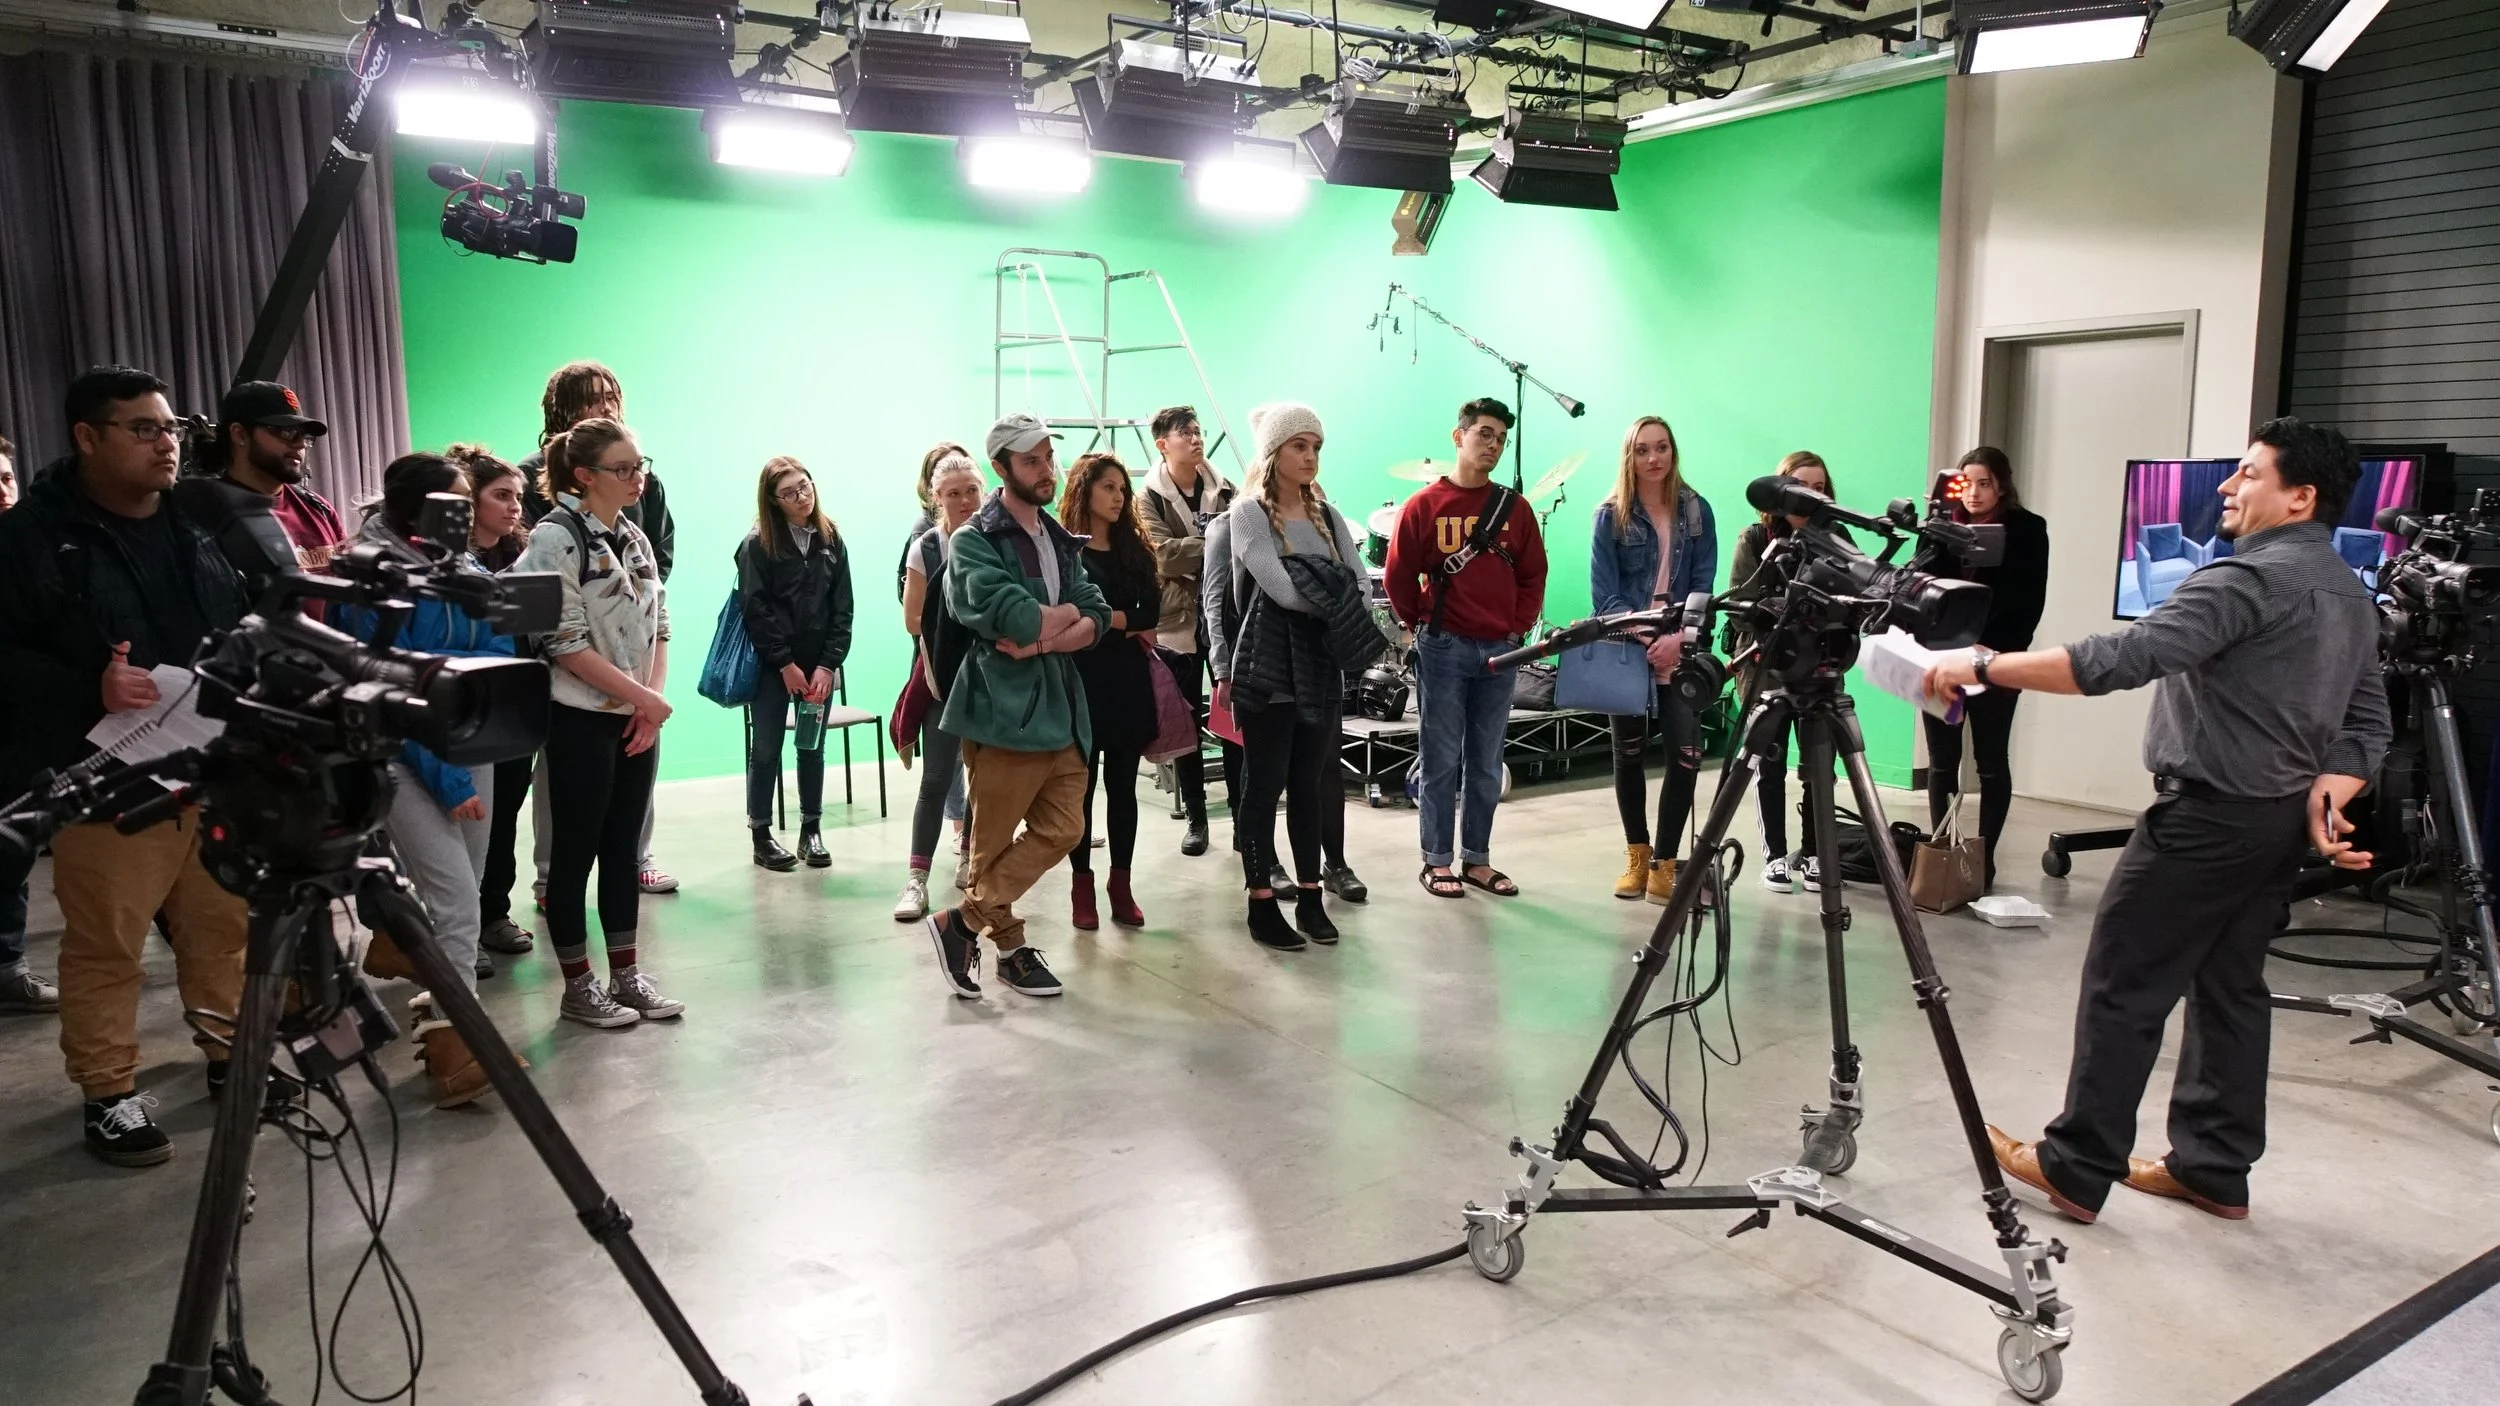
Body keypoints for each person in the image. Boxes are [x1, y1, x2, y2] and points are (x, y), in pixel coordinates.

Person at [1922, 417, 2390, 1226]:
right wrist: (2330, 789)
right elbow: (2368, 721)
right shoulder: (2348, 591)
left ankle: (2076, 1164)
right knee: (2231, 987)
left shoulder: (2243, 583)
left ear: (2299, 496)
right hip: (2273, 824)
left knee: (2123, 983)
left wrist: (1983, 665)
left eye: (2248, 474)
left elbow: (2118, 661)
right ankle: (2214, 1166)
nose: (2227, 487)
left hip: (2206, 820)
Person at [0, 366, 253, 1165]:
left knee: (222, 928)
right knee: (109, 943)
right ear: (87, 437)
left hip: (206, 764)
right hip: (103, 775)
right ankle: (108, 1093)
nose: (166, 444)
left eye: (172, 428)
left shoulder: (199, 519)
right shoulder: (30, 539)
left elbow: (237, 612)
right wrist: (89, 687)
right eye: (143, 429)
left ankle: (229, 1060)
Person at [334, 453, 523, 1108]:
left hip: (469, 744)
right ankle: (454, 1049)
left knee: (461, 891)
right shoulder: (368, 579)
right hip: (397, 751)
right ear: (415, 511)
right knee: (456, 899)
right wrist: (448, 779)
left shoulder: (463, 568)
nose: (466, 517)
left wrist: (480, 737)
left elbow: (494, 656)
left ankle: (399, 944)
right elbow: (390, 687)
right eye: (454, 506)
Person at [922, 414, 1112, 1000]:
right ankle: (1009, 949)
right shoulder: (973, 539)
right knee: (994, 841)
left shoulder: (1056, 535)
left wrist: (1047, 639)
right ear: (1001, 469)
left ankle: (963, 922)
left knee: (1065, 828)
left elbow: (1097, 613)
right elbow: (1011, 615)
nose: (1045, 469)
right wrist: (1052, 620)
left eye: (1048, 457)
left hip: (1061, 704)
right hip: (1002, 707)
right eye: (1031, 460)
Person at [514, 417, 684, 1029]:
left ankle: (627, 975)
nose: (638, 477)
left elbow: (659, 626)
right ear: (584, 476)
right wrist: (641, 699)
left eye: (641, 465)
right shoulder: (553, 539)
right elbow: (563, 644)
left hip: (635, 719)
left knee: (622, 849)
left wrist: (648, 703)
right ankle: (578, 985)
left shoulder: (633, 537)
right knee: (575, 853)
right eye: (624, 468)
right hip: (580, 719)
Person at [1205, 403, 1368, 949]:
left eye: (1317, 447)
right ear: (1274, 453)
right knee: (1262, 787)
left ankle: (1312, 897)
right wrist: (1336, 594)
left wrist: (1339, 594)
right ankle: (1260, 904)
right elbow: (1282, 590)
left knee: (1308, 787)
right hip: (1268, 668)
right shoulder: (1248, 513)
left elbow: (1362, 585)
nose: (1311, 457)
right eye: (1300, 446)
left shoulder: (1330, 515)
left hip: (1321, 667)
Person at [516, 362, 678, 898]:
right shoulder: (535, 483)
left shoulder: (641, 483)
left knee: (637, 753)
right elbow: (546, 584)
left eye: (612, 395)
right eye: (592, 399)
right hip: (570, 661)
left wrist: (636, 611)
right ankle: (549, 877)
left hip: (632, 643)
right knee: (562, 781)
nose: (606, 405)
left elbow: (657, 556)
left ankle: (637, 857)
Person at [1383, 397, 1548, 899]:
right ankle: (1437, 860)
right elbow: (1397, 574)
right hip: (1445, 647)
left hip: (1501, 649)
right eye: (1484, 434)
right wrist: (1419, 624)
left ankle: (1477, 859)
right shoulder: (1424, 506)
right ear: (1459, 437)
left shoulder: (1515, 509)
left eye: (1501, 437)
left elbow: (1533, 574)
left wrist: (1517, 630)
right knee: (1440, 758)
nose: (1493, 445)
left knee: (1485, 760)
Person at [1590, 415, 1718, 904]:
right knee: (1628, 756)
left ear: (1672, 451)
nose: (1653, 458)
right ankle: (1637, 857)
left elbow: (1704, 585)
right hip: (1629, 647)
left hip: (1682, 648)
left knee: (1686, 756)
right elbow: (1606, 597)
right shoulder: (1611, 515)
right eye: (1643, 450)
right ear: (1630, 457)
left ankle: (1666, 864)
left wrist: (1680, 638)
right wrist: (1649, 638)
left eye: (1662, 447)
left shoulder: (1696, 510)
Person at [1923, 447, 2051, 891]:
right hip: (1942, 659)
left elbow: (2027, 602)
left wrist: (1987, 652)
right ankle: (1941, 848)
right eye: (1966, 482)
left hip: (1997, 662)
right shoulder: (1941, 527)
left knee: (1991, 761)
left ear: (2002, 484)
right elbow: (1921, 588)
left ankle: (1985, 858)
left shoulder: (2029, 530)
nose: (1973, 493)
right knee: (1942, 761)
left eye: (1984, 483)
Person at [1725, 451, 1840, 894]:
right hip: (1765, 668)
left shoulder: (1837, 537)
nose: (1810, 494)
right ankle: (1775, 855)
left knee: (1820, 768)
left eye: (1818, 486)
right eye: (1800, 485)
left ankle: (1814, 853)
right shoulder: (1756, 538)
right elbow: (1740, 608)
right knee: (1767, 765)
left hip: (1820, 669)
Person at [1057, 452, 1162, 931]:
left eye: (1122, 489)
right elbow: (1064, 618)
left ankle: (1121, 884)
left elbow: (1150, 616)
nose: (1119, 497)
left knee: (1122, 788)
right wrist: (1121, 622)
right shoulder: (1065, 553)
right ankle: (1082, 885)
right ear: (1085, 491)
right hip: (1078, 681)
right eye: (1109, 488)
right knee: (1078, 791)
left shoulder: (1134, 550)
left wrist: (1106, 621)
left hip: (1126, 682)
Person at [736, 456, 855, 871]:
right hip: (775, 669)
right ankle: (762, 835)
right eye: (789, 493)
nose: (802, 497)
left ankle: (811, 831)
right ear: (773, 500)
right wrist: (785, 664)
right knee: (766, 749)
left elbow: (843, 608)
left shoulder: (830, 537)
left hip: (818, 667)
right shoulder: (757, 544)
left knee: (811, 747)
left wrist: (828, 666)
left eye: (804, 486)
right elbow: (755, 609)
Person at [1136, 407, 1241, 857]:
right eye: (1186, 433)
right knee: (1186, 727)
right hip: (1176, 623)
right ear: (1163, 443)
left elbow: (1247, 541)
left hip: (1224, 618)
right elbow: (1162, 556)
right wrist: (1218, 544)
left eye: (1198, 432)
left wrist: (1197, 551)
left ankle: (1242, 819)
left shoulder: (1225, 489)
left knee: (1232, 722)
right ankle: (1197, 818)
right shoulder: (1148, 498)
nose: (1196, 439)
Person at [453, 444, 541, 962]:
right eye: (501, 496)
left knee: (504, 813)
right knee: (466, 823)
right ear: (470, 503)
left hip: (512, 708)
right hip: (466, 711)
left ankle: (493, 913)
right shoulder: (445, 563)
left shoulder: (521, 555)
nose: (514, 507)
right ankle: (458, 929)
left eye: (519, 497)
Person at [892, 452, 981, 922]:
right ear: (937, 498)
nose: (965, 500)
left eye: (972, 490)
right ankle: (917, 879)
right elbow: (913, 618)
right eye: (953, 493)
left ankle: (972, 858)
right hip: (939, 676)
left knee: (986, 779)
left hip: (993, 679)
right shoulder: (926, 547)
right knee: (936, 778)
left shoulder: (997, 540)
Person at [0, 428, 61, 1019]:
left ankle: (5, 968)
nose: (2, 490)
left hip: (23, 730)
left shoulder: (30, 547)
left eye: (7, 477)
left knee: (14, 849)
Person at [209, 381, 345, 574]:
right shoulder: (208, 519)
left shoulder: (319, 508)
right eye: (286, 432)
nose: (301, 445)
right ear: (240, 434)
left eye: (304, 435)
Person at [896, 440, 971, 601]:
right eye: (946, 468)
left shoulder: (990, 524)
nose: (956, 471)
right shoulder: (925, 533)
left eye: (963, 464)